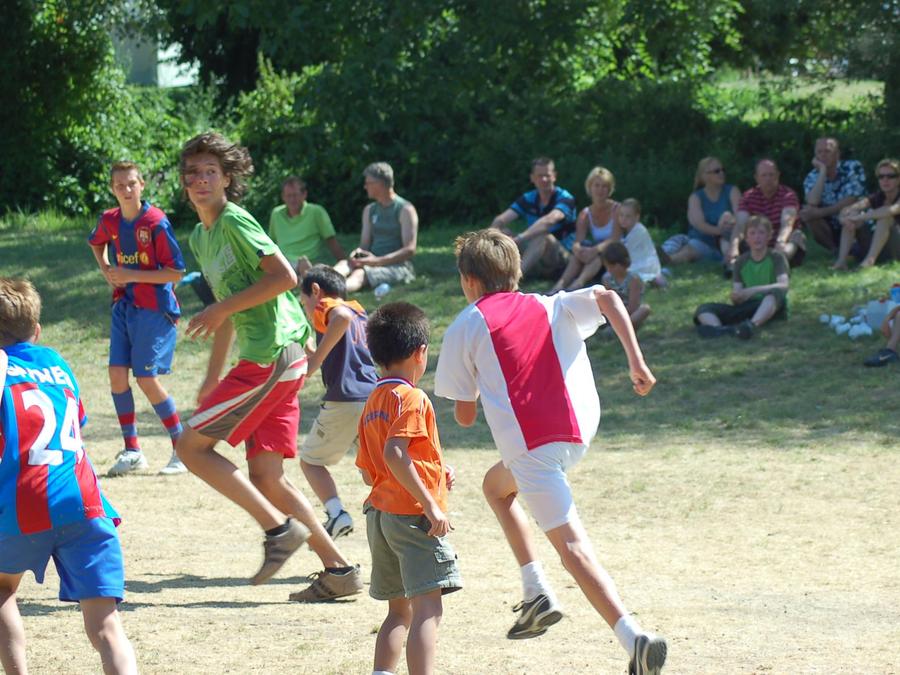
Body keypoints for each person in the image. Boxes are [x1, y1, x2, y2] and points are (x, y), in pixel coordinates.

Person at [434, 230, 666, 674]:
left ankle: (634, 638)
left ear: (468, 281)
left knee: (573, 548)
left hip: (534, 448)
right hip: (579, 430)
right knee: (495, 487)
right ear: (515, 273)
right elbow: (607, 298)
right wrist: (637, 362)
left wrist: (480, 382)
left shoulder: (465, 324)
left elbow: (464, 417)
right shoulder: (548, 303)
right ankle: (535, 591)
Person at [175, 132, 362, 600]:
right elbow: (229, 308)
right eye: (193, 173)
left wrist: (220, 309)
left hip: (273, 358)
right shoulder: (200, 236)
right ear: (184, 182)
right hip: (278, 359)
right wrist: (212, 376)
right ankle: (340, 572)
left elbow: (285, 276)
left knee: (190, 449)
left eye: (210, 172)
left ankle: (278, 531)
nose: (201, 180)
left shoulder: (235, 220)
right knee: (266, 476)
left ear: (227, 178)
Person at [0, 277, 138, 675]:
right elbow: (76, 420)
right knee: (107, 627)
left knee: (2, 589)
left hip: (24, 503)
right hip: (85, 503)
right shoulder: (56, 363)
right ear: (37, 330)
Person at [356, 301, 462, 675]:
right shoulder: (412, 397)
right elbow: (395, 453)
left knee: (398, 612)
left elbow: (371, 472)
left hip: (380, 516)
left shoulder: (373, 401)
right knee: (428, 609)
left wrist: (434, 473)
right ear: (420, 352)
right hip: (412, 518)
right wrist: (430, 503)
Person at [87, 161, 187, 476]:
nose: (126, 190)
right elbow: (96, 242)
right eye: (120, 185)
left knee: (146, 378)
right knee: (117, 374)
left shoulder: (156, 222)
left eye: (131, 183)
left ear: (142, 184)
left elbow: (176, 273)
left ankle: (183, 449)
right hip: (124, 305)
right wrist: (106, 270)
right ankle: (133, 451)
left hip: (155, 308)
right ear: (112, 189)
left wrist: (130, 274)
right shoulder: (109, 220)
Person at [298, 264, 378, 539]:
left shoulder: (329, 306)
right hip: (372, 396)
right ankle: (391, 513)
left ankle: (337, 514)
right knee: (373, 471)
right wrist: (311, 349)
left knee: (310, 462)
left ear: (316, 291)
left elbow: (339, 317)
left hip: (345, 399)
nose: (306, 309)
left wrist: (313, 364)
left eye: (304, 302)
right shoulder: (359, 312)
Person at [694, 216, 789, 339]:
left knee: (774, 293)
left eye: (761, 233)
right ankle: (721, 330)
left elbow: (783, 285)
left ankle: (751, 326)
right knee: (704, 308)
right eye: (752, 233)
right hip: (748, 305)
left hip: (772, 305)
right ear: (746, 238)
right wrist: (737, 296)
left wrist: (753, 290)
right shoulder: (741, 261)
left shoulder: (776, 257)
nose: (757, 237)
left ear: (769, 236)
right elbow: (737, 294)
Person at [335, 162, 418, 293]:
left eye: (368, 183)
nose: (365, 187)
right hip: (371, 261)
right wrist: (357, 254)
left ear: (379, 184)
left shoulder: (405, 209)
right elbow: (364, 245)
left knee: (359, 274)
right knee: (342, 266)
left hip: (398, 266)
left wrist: (376, 261)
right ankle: (317, 286)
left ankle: (329, 293)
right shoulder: (369, 210)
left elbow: (409, 250)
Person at [490, 157, 578, 280]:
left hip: (563, 258)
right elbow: (501, 219)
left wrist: (519, 238)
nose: (544, 179)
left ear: (554, 176)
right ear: (532, 178)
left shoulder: (565, 198)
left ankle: (513, 279)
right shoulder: (529, 198)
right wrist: (490, 238)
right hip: (536, 253)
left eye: (547, 175)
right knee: (503, 233)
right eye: (539, 176)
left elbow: (549, 221)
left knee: (543, 236)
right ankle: (490, 271)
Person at [550, 166, 622, 293]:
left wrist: (595, 249)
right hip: (594, 256)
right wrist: (578, 250)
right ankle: (560, 285)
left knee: (598, 252)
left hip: (615, 254)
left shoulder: (617, 209)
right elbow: (578, 240)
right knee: (582, 249)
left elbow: (615, 238)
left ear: (610, 189)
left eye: (604, 186)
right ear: (590, 187)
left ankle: (577, 284)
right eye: (597, 185)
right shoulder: (585, 213)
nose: (600, 190)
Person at [659, 156, 740, 267]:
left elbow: (740, 217)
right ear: (704, 176)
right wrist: (721, 230)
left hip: (721, 245)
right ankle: (657, 257)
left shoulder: (732, 191)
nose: (721, 173)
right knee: (679, 241)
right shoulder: (696, 197)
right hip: (698, 239)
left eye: (723, 170)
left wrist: (727, 229)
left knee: (691, 249)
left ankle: (669, 260)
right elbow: (699, 225)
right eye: (717, 171)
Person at [729, 158, 805, 267]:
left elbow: (787, 224)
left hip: (782, 240)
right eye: (764, 175)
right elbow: (741, 224)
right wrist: (734, 247)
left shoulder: (788, 195)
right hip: (757, 242)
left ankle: (777, 259)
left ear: (778, 175)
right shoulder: (748, 197)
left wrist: (780, 242)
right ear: (756, 178)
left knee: (797, 235)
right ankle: (734, 262)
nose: (768, 179)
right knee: (729, 233)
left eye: (771, 175)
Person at [268, 175, 347, 278]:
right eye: (288, 196)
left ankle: (300, 278)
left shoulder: (316, 211)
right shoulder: (276, 214)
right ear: (283, 197)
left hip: (309, 262)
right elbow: (271, 242)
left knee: (303, 264)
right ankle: (300, 279)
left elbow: (331, 240)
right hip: (284, 262)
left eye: (295, 195)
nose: (292, 199)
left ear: (304, 194)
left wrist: (344, 263)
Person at [799, 137, 866, 253]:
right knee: (808, 214)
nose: (823, 155)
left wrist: (821, 212)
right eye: (819, 152)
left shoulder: (852, 167)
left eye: (827, 151)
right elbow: (812, 202)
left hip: (855, 221)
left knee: (852, 213)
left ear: (837, 154)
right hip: (831, 226)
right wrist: (822, 172)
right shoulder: (811, 176)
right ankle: (835, 250)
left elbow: (852, 199)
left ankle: (857, 248)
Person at [832, 158, 900, 270]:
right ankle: (841, 261)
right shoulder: (878, 196)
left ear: (898, 179)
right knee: (852, 218)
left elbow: (891, 210)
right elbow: (849, 209)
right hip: (881, 247)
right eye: (881, 176)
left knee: (885, 218)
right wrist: (844, 217)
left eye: (890, 176)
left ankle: (869, 261)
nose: (885, 180)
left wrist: (859, 217)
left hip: (897, 247)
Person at [601, 242, 651, 330]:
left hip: (629, 312)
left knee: (645, 309)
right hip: (614, 311)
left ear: (621, 264)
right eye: (607, 267)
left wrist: (618, 313)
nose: (609, 270)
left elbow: (633, 307)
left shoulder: (633, 279)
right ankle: (616, 326)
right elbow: (607, 300)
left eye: (611, 267)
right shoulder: (607, 279)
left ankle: (620, 328)